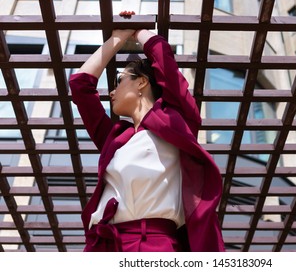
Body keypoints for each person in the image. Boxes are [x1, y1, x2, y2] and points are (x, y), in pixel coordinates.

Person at [68, 14, 225, 252]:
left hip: (154, 245)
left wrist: (138, 30)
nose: (112, 92)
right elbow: (80, 85)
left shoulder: (176, 121)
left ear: (141, 82)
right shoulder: (115, 139)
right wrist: (118, 37)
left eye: (119, 81)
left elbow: (163, 56)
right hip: (105, 246)